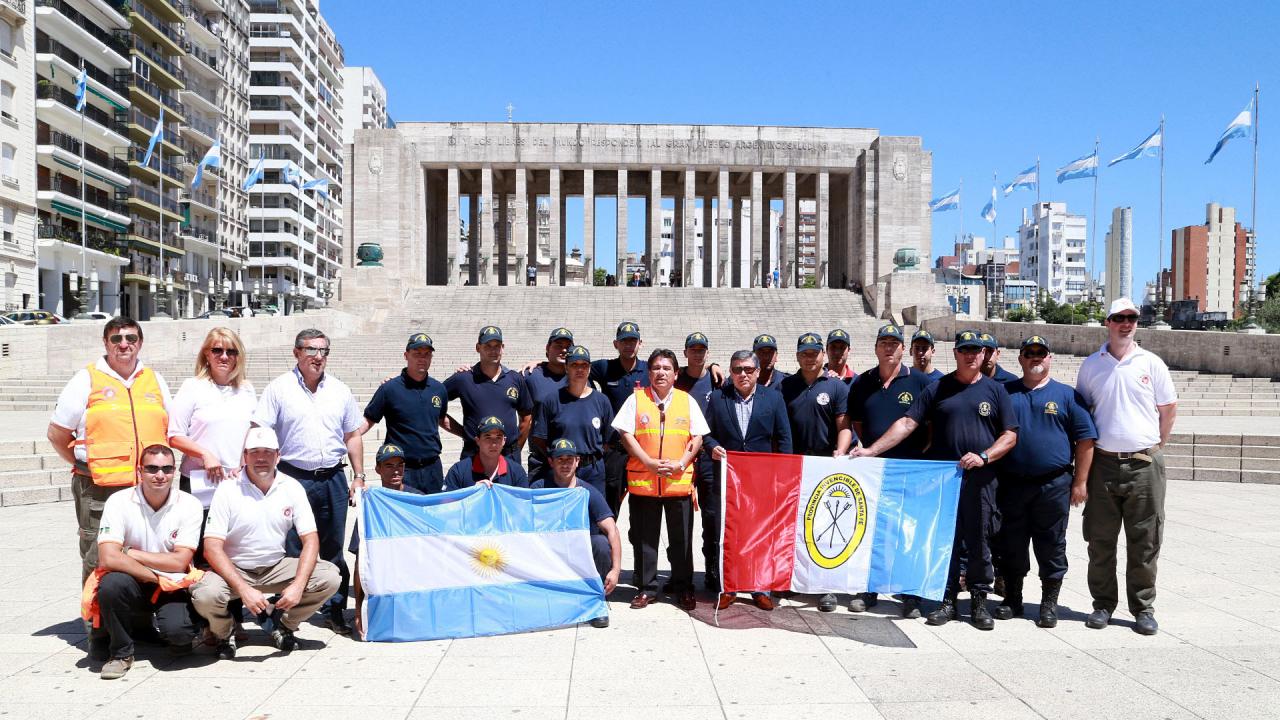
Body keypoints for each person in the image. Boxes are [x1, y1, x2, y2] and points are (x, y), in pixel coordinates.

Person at [853, 329, 1019, 630]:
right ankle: (947, 600)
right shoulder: (937, 388)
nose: (970, 355)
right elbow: (907, 422)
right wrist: (871, 450)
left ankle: (980, 602)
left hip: (981, 479)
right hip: (945, 481)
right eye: (964, 349)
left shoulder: (995, 391)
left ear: (983, 355)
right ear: (955, 353)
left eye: (976, 350)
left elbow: (1010, 434)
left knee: (980, 541)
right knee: (946, 542)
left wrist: (985, 456)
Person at [190, 427, 341, 659]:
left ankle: (283, 624)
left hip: (274, 566)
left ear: (278, 456)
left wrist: (298, 585)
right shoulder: (228, 489)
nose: (261, 458)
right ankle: (224, 630)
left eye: (268, 452)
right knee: (205, 595)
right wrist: (244, 590)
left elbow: (310, 539)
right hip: (235, 568)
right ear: (245, 456)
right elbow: (211, 547)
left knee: (330, 577)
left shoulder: (291, 487)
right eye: (255, 452)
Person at [1076, 298, 1177, 636]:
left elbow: (1168, 409)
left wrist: (1154, 446)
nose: (1126, 323)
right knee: (1100, 541)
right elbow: (1084, 416)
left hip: (1144, 464)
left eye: (1132, 318)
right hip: (1104, 464)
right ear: (1107, 322)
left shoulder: (1151, 363)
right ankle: (1103, 604)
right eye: (1119, 318)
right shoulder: (1092, 365)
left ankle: (1143, 608)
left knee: (1145, 541)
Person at [253, 328, 363, 635]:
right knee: (290, 548)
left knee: (333, 547)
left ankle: (334, 609)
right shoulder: (279, 389)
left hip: (332, 479)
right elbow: (259, 430)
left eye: (323, 351)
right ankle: (285, 613)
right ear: (297, 353)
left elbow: (353, 436)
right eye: (311, 350)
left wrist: (359, 476)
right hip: (291, 477)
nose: (318, 357)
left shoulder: (340, 390)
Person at [48, 316, 172, 584]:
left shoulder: (155, 380)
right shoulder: (87, 379)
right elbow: (57, 433)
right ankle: (96, 624)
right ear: (106, 343)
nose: (124, 344)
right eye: (116, 338)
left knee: (145, 550)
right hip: (98, 487)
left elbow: (171, 428)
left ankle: (137, 618)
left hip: (147, 485)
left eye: (131, 338)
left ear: (140, 343)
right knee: (97, 556)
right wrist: (85, 464)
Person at [996, 335, 1097, 627]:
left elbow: (1086, 439)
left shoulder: (1067, 395)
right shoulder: (1006, 393)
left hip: (1053, 484)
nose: (1035, 358)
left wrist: (1080, 482)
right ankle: (1012, 599)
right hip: (1012, 483)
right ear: (1021, 359)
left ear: (1050, 358)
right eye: (1029, 353)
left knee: (1052, 544)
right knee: (1012, 543)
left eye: (1041, 353)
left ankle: (1048, 604)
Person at [87, 444, 203, 679]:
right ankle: (120, 653)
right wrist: (155, 576)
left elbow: (180, 562)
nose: (160, 475)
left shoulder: (190, 504)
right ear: (140, 471)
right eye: (152, 468)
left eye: (167, 469)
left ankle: (168, 631)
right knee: (111, 585)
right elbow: (108, 557)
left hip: (172, 584)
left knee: (180, 637)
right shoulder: (118, 502)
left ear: (174, 471)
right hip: (141, 579)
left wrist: (130, 552)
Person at [846, 323, 936, 618]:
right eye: (883, 342)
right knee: (872, 531)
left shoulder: (920, 382)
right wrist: (871, 448)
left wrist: (920, 452)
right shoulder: (861, 383)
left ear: (903, 349)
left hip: (909, 468)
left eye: (894, 343)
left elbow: (931, 428)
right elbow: (857, 424)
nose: (888, 348)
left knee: (908, 533)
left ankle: (910, 595)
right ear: (875, 348)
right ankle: (868, 589)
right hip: (874, 470)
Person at [612, 348, 708, 611]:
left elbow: (698, 436)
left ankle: (683, 586)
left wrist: (681, 463)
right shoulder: (636, 399)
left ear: (676, 374)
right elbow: (626, 435)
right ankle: (646, 588)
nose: (661, 373)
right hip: (645, 483)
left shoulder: (687, 401)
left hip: (678, 482)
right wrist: (649, 462)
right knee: (645, 539)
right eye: (656, 368)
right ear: (649, 372)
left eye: (667, 368)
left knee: (681, 541)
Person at [703, 350, 793, 610]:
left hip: (761, 480)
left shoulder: (774, 399)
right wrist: (713, 447)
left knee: (760, 533)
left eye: (748, 369)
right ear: (730, 372)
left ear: (757, 372)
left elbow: (784, 438)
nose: (743, 374)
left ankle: (759, 587)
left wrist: (783, 475)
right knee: (729, 533)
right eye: (737, 369)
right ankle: (728, 586)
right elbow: (706, 433)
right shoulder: (719, 398)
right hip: (727, 478)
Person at [781, 331, 854, 612]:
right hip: (794, 467)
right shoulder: (786, 386)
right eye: (804, 353)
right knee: (794, 526)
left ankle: (826, 587)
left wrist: (840, 452)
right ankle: (792, 580)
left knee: (824, 529)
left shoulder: (836, 388)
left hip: (825, 467)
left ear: (823, 355)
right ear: (797, 356)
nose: (809, 357)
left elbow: (844, 425)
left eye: (814, 352)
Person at [168, 327, 257, 556]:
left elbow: (251, 432)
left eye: (231, 351)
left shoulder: (246, 390)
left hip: (237, 482)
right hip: (201, 483)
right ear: (206, 354)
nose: (224, 356)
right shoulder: (193, 387)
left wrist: (243, 463)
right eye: (217, 350)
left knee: (234, 549)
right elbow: (174, 435)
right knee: (197, 548)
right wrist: (205, 455)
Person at [533, 439, 621, 629]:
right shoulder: (539, 489)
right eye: (560, 459)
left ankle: (597, 603)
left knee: (600, 542)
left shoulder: (588, 491)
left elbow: (612, 530)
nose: (565, 464)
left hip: (580, 554)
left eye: (569, 459)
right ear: (551, 462)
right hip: (551, 553)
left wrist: (615, 570)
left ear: (577, 461)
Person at [355, 333, 451, 494]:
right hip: (402, 470)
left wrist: (467, 434)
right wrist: (347, 438)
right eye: (417, 354)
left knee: (433, 515)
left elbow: (442, 419)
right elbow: (367, 421)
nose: (422, 358)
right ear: (406, 356)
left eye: (427, 354)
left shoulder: (438, 389)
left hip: (432, 468)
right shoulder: (389, 389)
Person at [350, 443, 424, 640]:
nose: (396, 470)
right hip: (384, 581)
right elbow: (360, 563)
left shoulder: (417, 499)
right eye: (389, 465)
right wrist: (358, 611)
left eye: (400, 465)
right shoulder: (369, 505)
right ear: (378, 469)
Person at [444, 325, 534, 470]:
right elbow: (434, 404)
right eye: (488, 346)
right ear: (478, 347)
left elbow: (526, 417)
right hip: (474, 455)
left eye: (497, 346)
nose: (493, 350)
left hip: (508, 456)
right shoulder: (464, 378)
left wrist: (515, 447)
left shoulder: (515, 379)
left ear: (503, 348)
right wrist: (464, 432)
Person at [675, 332, 722, 592]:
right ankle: (679, 573)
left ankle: (712, 570)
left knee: (711, 519)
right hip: (678, 458)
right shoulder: (676, 378)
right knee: (678, 520)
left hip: (706, 460)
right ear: (685, 353)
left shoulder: (716, 381)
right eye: (693, 349)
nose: (697, 353)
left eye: (702, 349)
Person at [530, 345, 614, 491]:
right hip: (562, 470)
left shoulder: (602, 401)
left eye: (584, 365)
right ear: (567, 368)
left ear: (589, 369)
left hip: (592, 471)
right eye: (574, 365)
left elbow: (608, 441)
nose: (579, 369)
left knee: (593, 512)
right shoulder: (552, 400)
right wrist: (557, 458)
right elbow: (540, 438)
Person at [591, 321, 649, 517]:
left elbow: (679, 371)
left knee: (642, 508)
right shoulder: (605, 367)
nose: (629, 345)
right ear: (616, 344)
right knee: (609, 506)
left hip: (642, 451)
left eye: (633, 341)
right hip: (615, 451)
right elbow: (575, 366)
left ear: (640, 343)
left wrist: (712, 366)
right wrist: (540, 364)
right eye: (624, 341)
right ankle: (607, 545)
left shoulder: (650, 370)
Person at [523, 327, 574, 479]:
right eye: (558, 345)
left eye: (568, 346)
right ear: (547, 348)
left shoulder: (580, 377)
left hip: (571, 460)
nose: (563, 349)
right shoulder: (531, 375)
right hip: (541, 460)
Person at [443, 416, 531, 490]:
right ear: (478, 441)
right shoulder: (458, 471)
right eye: (487, 437)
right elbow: (447, 505)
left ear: (504, 441)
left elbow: (523, 506)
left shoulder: (516, 472)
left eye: (498, 437)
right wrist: (473, 493)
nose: (493, 443)